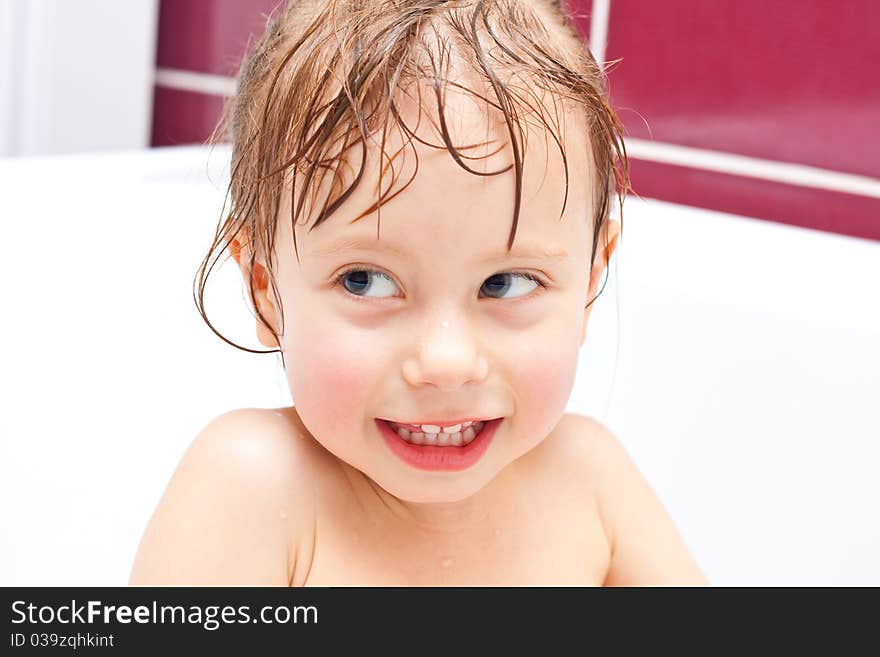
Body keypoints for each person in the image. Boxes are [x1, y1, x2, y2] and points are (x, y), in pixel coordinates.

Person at [130, 0, 708, 586]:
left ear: (587, 285)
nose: (446, 363)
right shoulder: (254, 487)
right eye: (366, 281)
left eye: (504, 284)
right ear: (266, 291)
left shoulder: (592, 484)